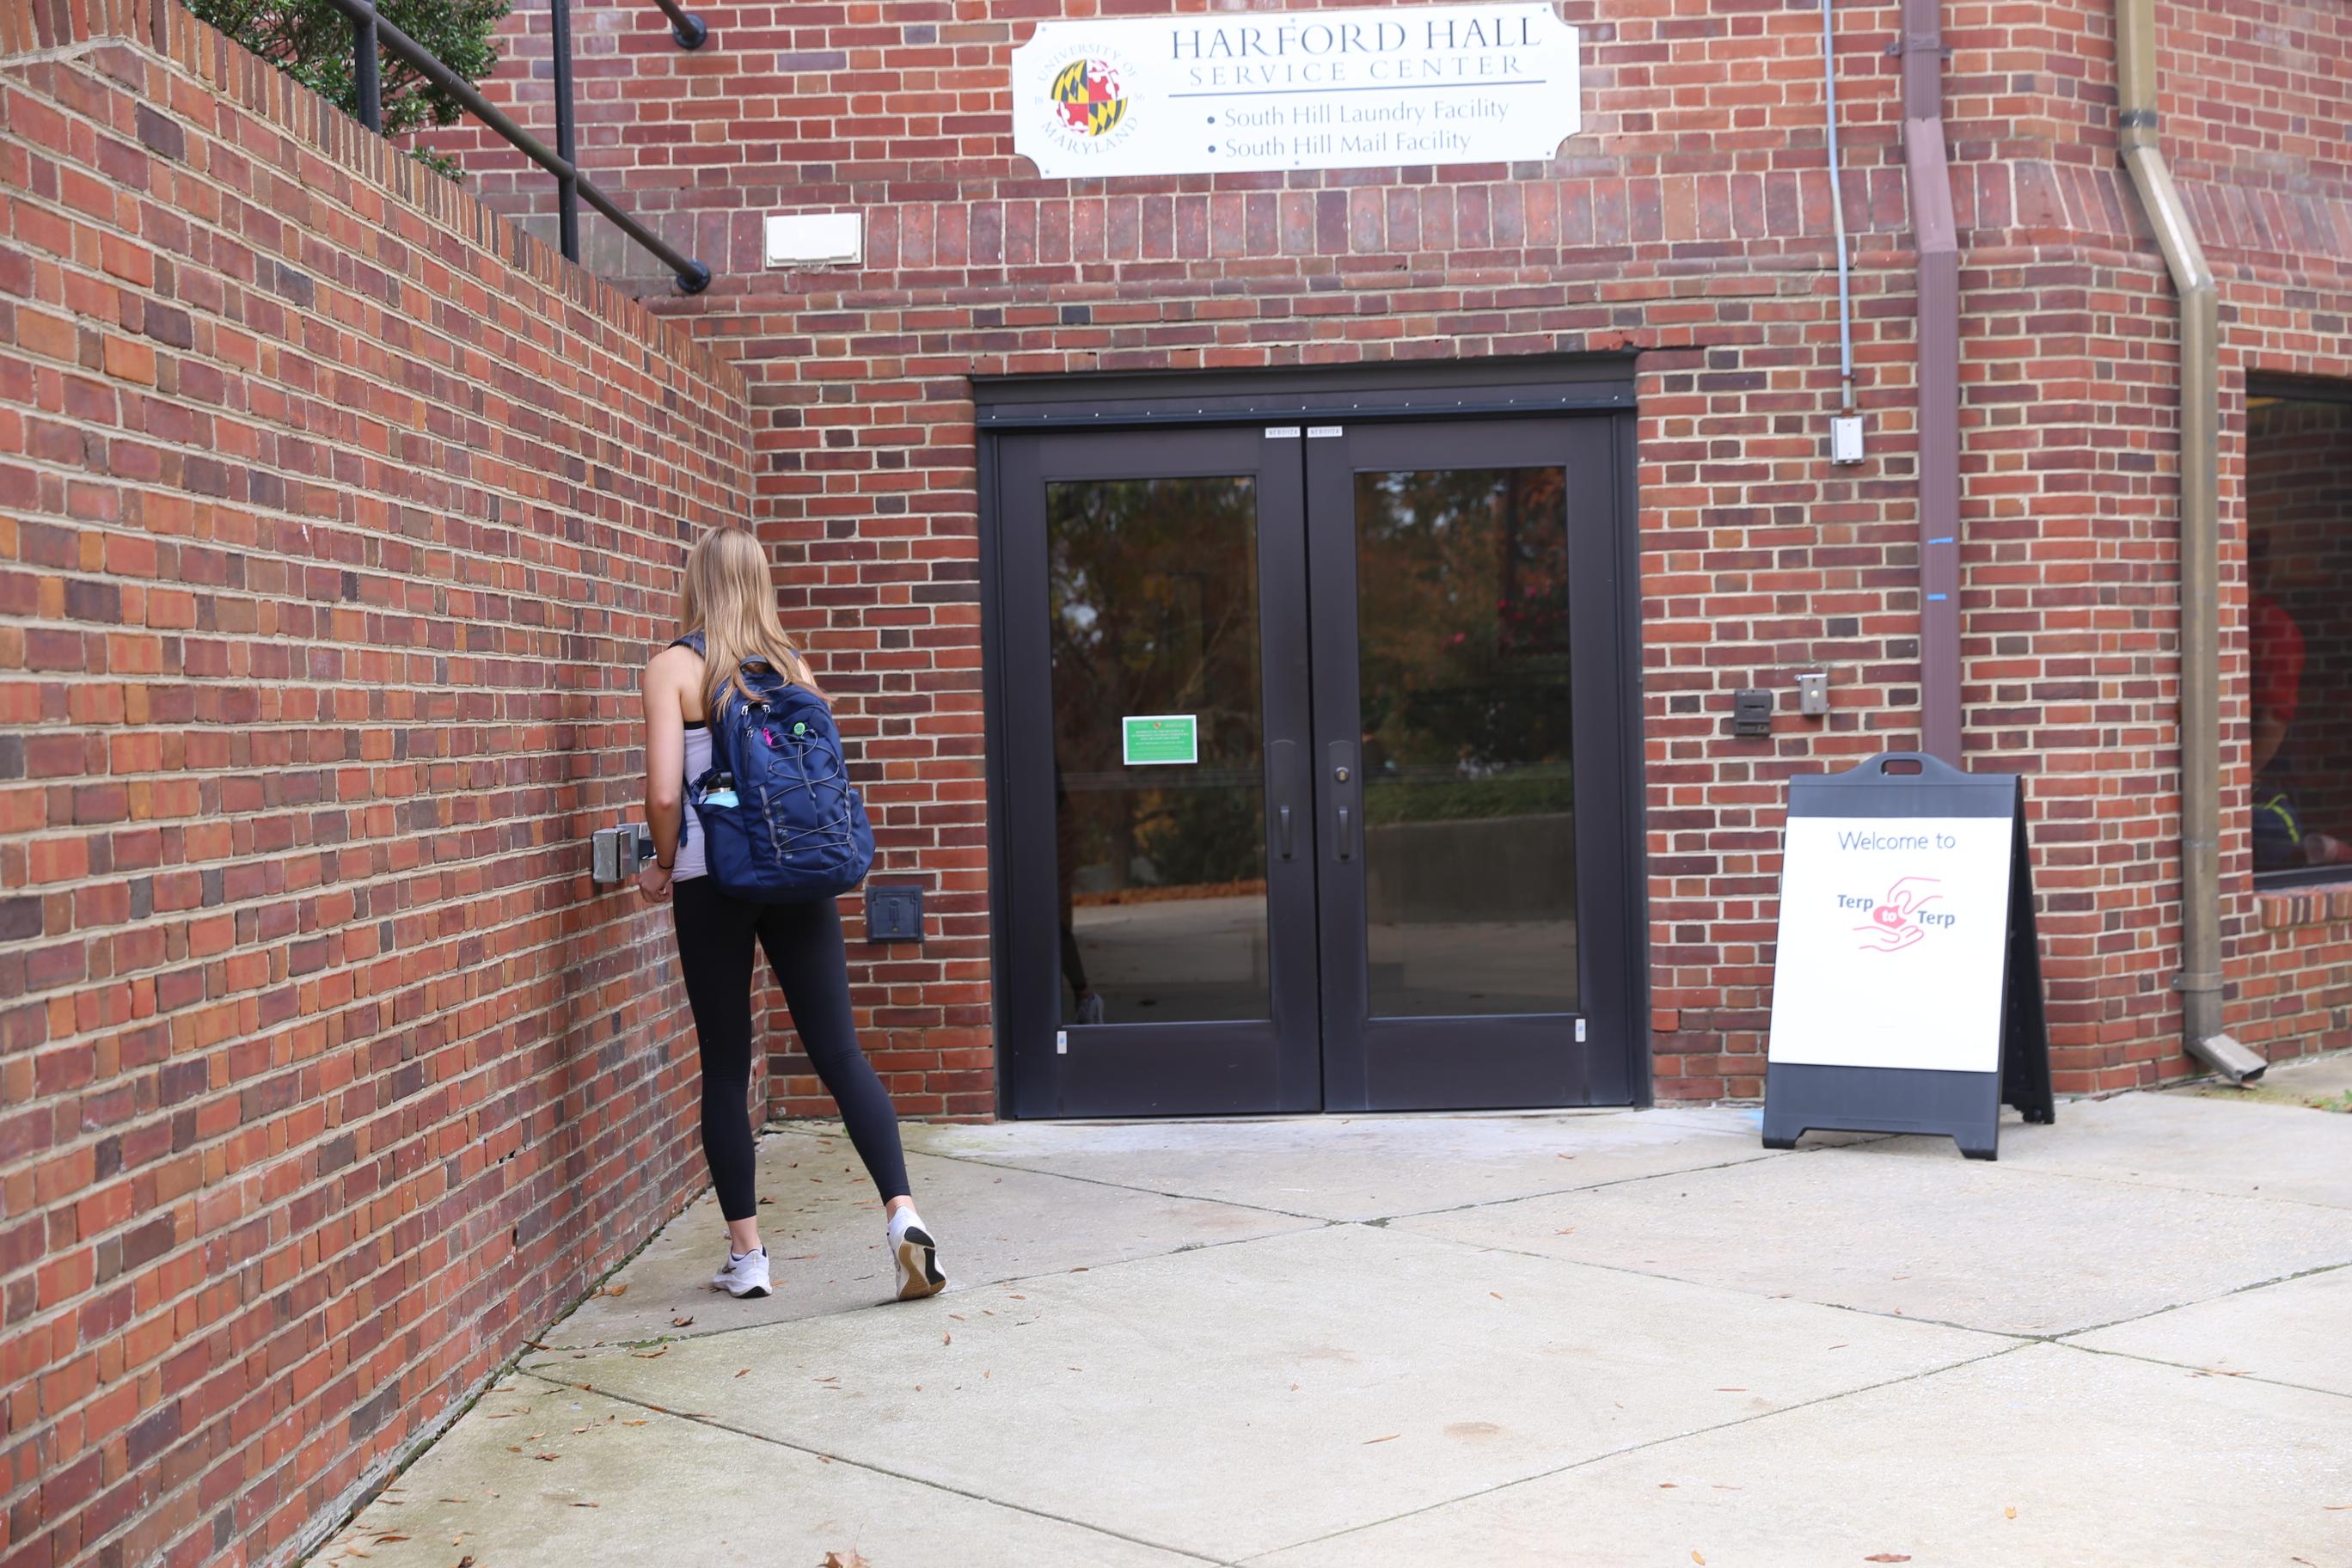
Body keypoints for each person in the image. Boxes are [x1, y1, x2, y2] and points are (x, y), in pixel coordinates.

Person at [634, 526, 946, 1303]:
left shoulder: (674, 668)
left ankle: (750, 1256)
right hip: (800, 877)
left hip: (717, 882)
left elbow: (667, 794)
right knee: (841, 1055)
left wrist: (663, 864)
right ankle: (901, 1213)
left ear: (697, 582)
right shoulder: (793, 668)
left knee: (726, 1065)